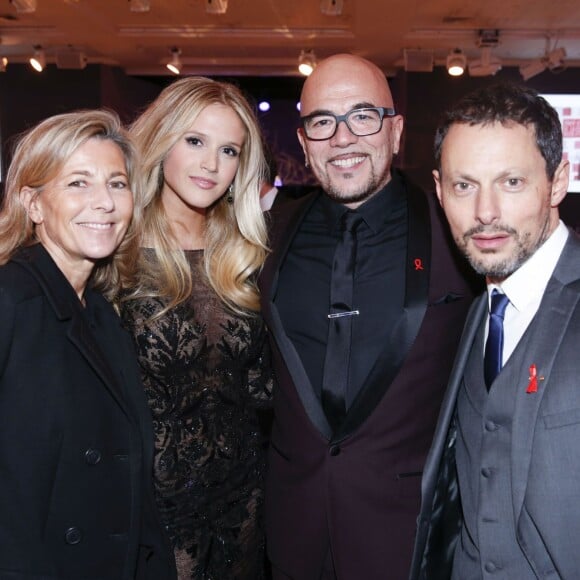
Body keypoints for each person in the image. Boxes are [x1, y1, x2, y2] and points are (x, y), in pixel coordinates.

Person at [258, 53, 480, 580]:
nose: (343, 138)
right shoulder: (265, 236)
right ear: (304, 139)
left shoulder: (459, 235)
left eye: (363, 116)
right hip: (294, 534)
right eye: (323, 122)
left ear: (396, 130)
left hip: (407, 536)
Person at [0, 110, 176, 579]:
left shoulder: (101, 311)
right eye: (78, 183)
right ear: (33, 204)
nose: (104, 203)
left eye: (117, 184)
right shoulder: (10, 299)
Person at [410, 83, 575, 579]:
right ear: (439, 191)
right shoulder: (478, 309)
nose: (485, 212)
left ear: (558, 181)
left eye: (511, 182)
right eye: (465, 185)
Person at [119, 77, 273, 580]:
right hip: (151, 512)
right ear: (162, 139)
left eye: (228, 149)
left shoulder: (249, 251)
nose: (211, 164)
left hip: (244, 507)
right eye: (195, 141)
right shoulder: (114, 246)